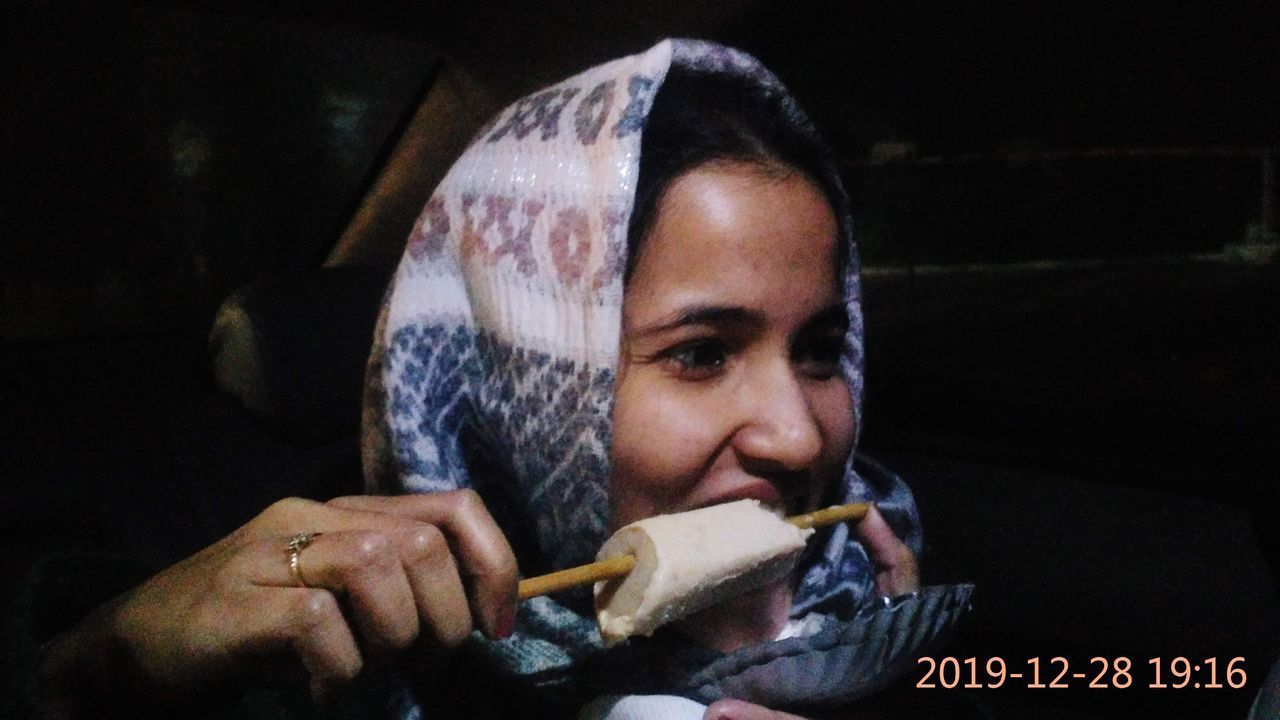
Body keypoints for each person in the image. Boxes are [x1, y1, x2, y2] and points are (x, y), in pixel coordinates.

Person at [36, 39, 928, 719]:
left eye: (818, 349)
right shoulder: (319, 648)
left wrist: (885, 669)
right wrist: (99, 663)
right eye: (701, 353)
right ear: (520, 391)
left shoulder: (868, 594)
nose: (804, 436)